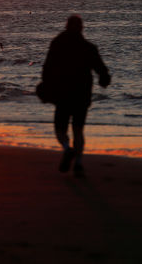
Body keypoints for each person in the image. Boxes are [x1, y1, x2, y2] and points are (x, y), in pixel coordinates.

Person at [42, 15, 110, 175]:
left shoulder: (57, 43)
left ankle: (67, 149)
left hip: (63, 94)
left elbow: (47, 67)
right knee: (78, 130)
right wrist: (104, 80)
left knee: (60, 129)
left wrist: (46, 85)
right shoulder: (88, 47)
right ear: (81, 28)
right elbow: (101, 69)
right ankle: (78, 162)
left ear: (66, 26)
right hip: (82, 94)